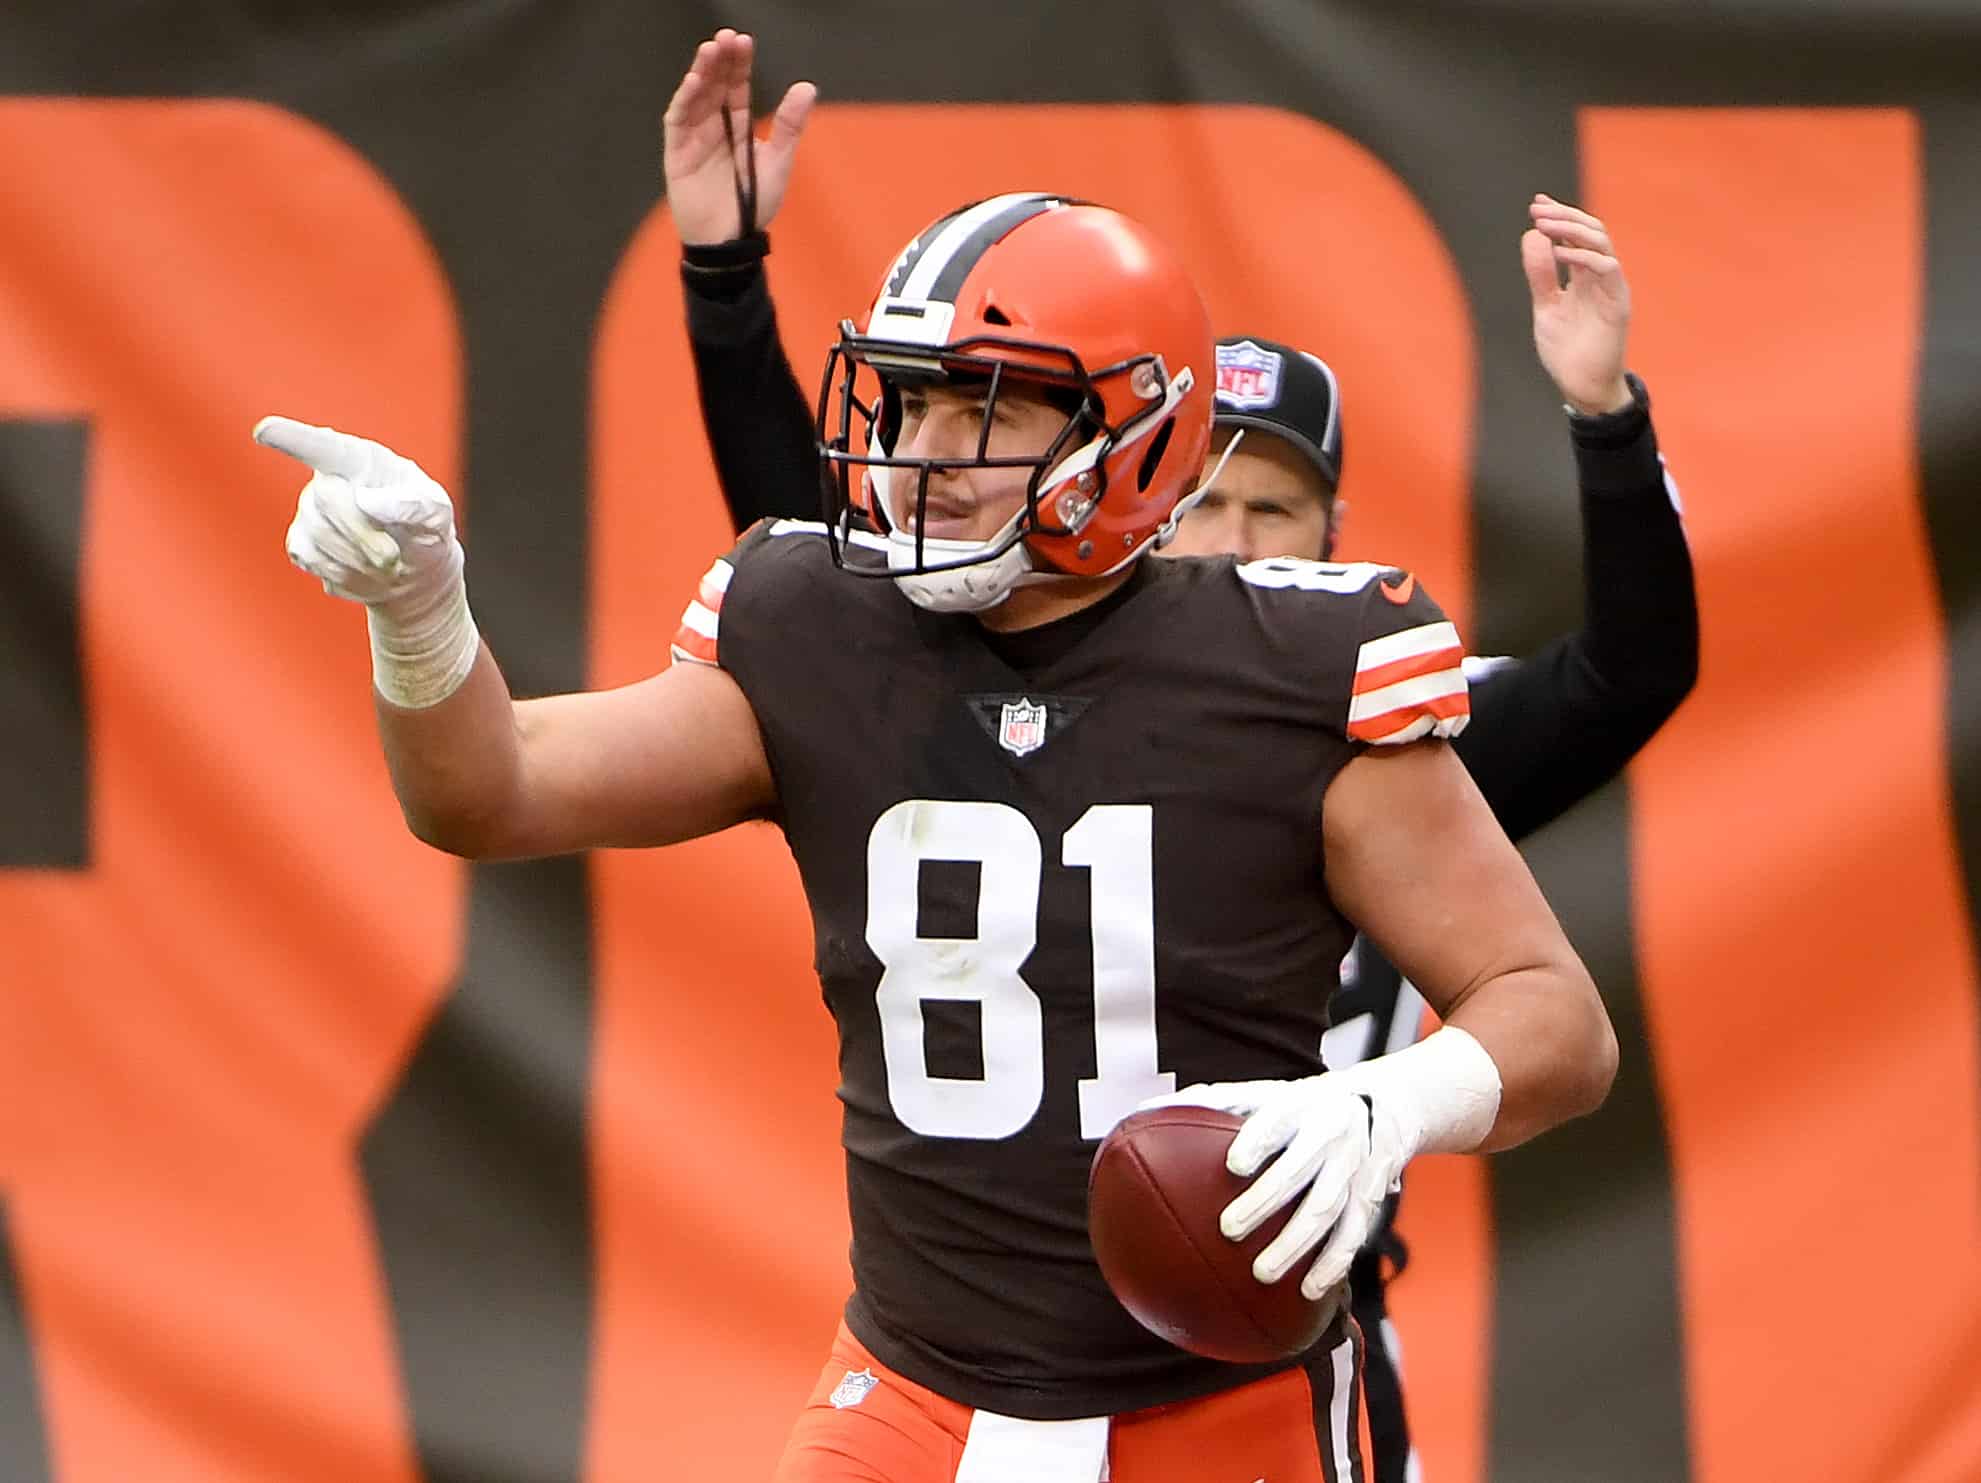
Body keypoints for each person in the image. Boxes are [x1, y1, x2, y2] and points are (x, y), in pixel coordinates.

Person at [261, 47, 1617, 1483]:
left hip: (1221, 1408)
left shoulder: (1291, 667)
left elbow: (1553, 1022)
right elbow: (491, 791)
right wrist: (421, 614)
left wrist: (1386, 1101)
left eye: (984, 405)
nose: (924, 452)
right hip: (910, 1390)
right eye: (907, 403)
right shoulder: (813, 625)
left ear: (1134, 437)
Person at [664, 30, 1696, 1483]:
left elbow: (1626, 679)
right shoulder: (972, 643)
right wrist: (724, 282)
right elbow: (828, 584)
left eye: (1277, 508)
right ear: (1132, 481)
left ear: (1330, 533)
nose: (1232, 533)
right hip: (972, 1331)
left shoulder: (1340, 706)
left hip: (1262, 1307)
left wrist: (1603, 419)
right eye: (1211, 497)